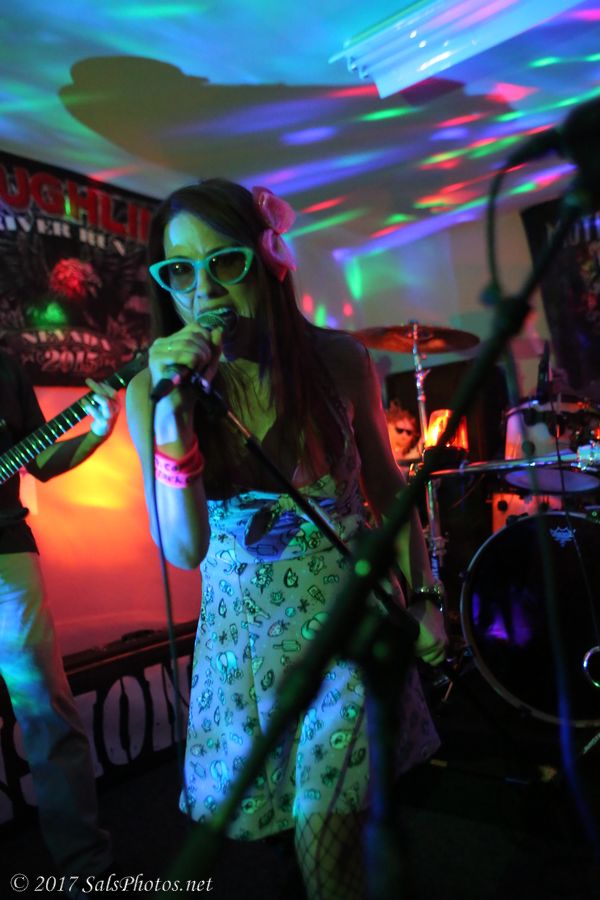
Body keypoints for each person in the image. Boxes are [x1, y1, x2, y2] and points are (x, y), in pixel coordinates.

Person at [126, 179, 448, 899]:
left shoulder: (338, 360)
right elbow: (184, 549)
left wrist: (426, 594)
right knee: (294, 854)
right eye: (180, 271)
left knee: (323, 840)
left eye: (225, 262)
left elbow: (388, 489)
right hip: (244, 647)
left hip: (348, 623)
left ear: (269, 261)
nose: (205, 290)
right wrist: (174, 419)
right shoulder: (152, 391)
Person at [0, 349, 120, 884]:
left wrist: (97, 431)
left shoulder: (6, 368)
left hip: (6, 550)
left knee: (46, 709)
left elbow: (41, 460)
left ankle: (86, 872)